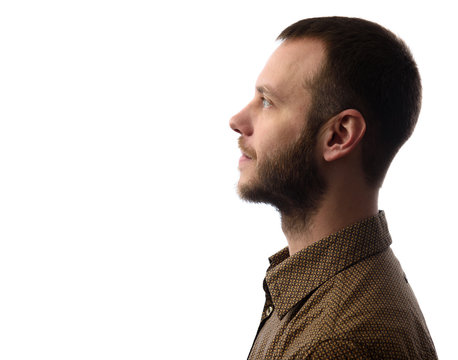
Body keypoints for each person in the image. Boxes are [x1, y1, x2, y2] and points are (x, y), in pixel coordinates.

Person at [229, 17, 437, 359]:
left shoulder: (337, 344)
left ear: (339, 135)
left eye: (267, 102)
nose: (237, 121)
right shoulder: (321, 289)